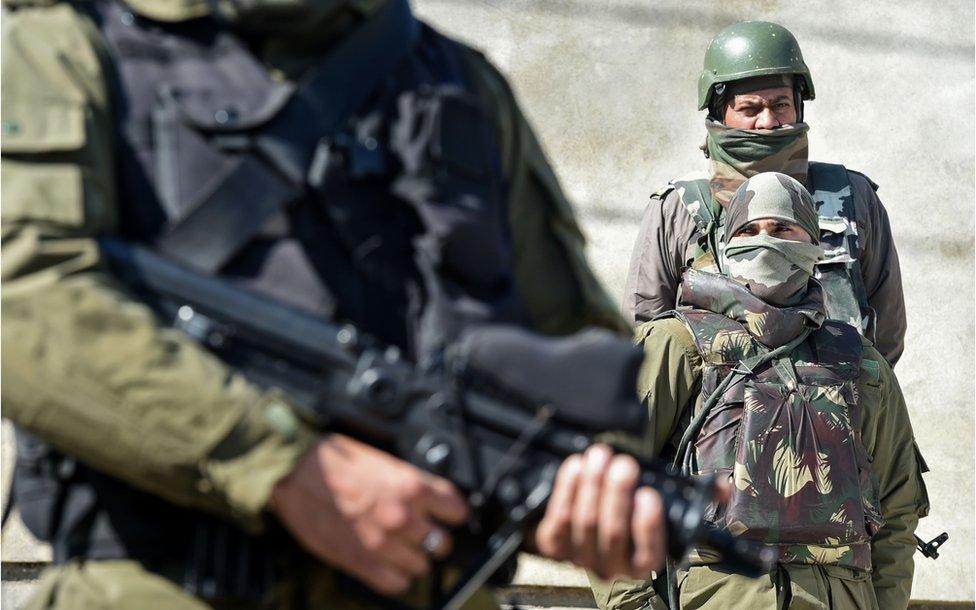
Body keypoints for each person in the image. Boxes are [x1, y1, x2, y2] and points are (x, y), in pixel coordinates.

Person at [0, 1, 670, 607]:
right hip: (160, 587)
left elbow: (579, 356)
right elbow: (24, 301)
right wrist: (281, 464)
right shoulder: (72, 44)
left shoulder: (457, 82)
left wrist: (582, 481)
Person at [594, 173, 928, 610]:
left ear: (813, 244)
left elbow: (897, 508)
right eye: (748, 230)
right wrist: (634, 604)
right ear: (726, 245)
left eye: (782, 228)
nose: (765, 241)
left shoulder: (860, 363)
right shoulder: (678, 343)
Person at [622, 21, 907, 366]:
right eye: (750, 109)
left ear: (799, 105)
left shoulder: (851, 196)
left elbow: (886, 333)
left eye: (781, 104)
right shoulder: (681, 207)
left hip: (831, 408)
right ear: (720, 112)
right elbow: (644, 332)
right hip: (716, 413)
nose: (768, 121)